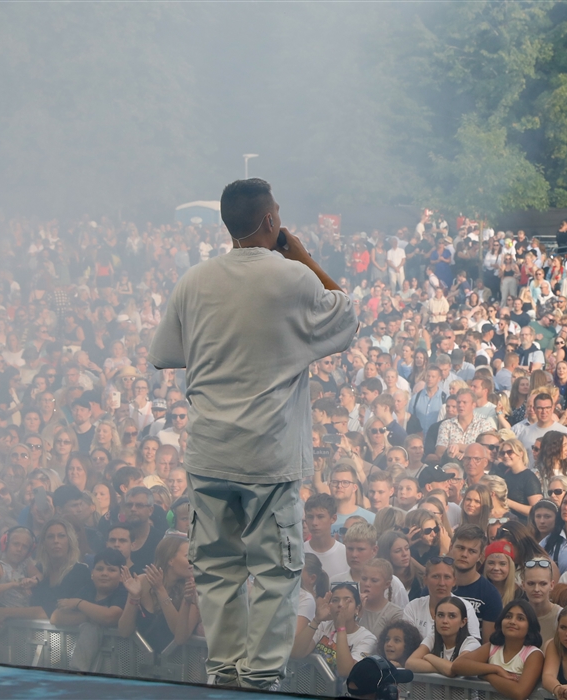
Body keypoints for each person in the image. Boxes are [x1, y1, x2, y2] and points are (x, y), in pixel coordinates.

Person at [148, 179, 358, 689]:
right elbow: (346, 318)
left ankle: (223, 673)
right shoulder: (292, 278)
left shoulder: (194, 280)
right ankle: (261, 679)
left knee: (216, 567)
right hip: (268, 454)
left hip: (210, 452)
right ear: (270, 222)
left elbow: (164, 353)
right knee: (275, 570)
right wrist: (305, 256)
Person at [452, 599, 546, 700]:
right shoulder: (493, 647)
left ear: (530, 626)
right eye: (508, 616)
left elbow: (519, 693)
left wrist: (487, 675)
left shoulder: (534, 654)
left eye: (520, 618)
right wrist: (496, 669)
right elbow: (458, 665)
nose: (512, 622)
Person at [293, 582, 376, 679]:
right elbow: (296, 653)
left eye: (347, 601)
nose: (340, 605)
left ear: (357, 609)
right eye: (335, 600)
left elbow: (346, 671)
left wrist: (341, 627)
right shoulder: (322, 626)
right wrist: (316, 620)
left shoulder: (367, 638)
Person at [404, 595, 480, 676]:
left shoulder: (472, 644)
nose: (445, 621)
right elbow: (410, 663)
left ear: (463, 622)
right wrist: (444, 668)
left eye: (452, 616)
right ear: (434, 618)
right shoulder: (433, 637)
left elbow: (454, 670)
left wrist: (429, 656)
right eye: (440, 615)